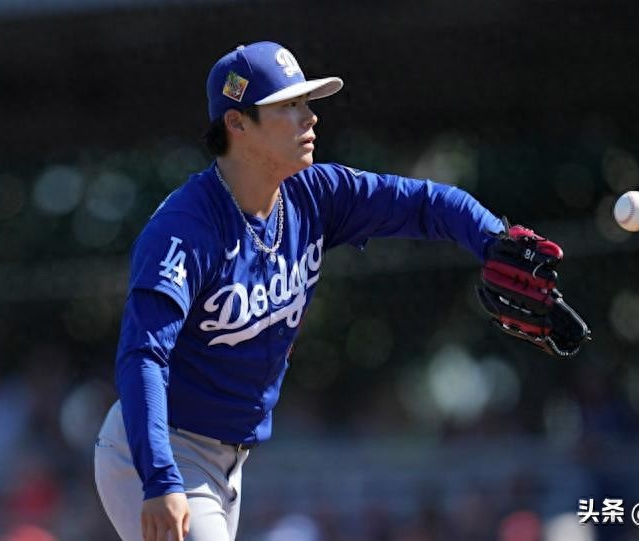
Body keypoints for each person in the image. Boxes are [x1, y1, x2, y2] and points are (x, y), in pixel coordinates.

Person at [94, 40, 580, 541]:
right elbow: (142, 356)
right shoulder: (184, 229)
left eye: (307, 104)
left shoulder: (314, 196)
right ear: (237, 124)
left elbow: (423, 203)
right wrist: (159, 479)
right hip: (157, 451)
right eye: (289, 107)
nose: (310, 118)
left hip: (223, 462)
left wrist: (490, 239)